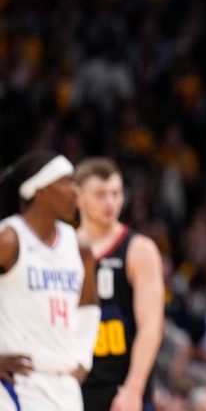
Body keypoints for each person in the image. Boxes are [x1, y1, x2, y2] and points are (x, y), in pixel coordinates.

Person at [0, 150, 100, 410]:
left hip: (64, 385)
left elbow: (88, 304)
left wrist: (83, 358)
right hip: (18, 383)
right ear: (40, 189)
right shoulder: (10, 238)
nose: (76, 192)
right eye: (67, 182)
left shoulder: (79, 247)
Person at [74, 157, 164, 411]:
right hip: (72, 386)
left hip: (121, 388)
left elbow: (151, 328)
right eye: (100, 194)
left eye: (115, 193)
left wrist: (133, 389)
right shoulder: (62, 248)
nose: (110, 202)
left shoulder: (139, 249)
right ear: (78, 196)